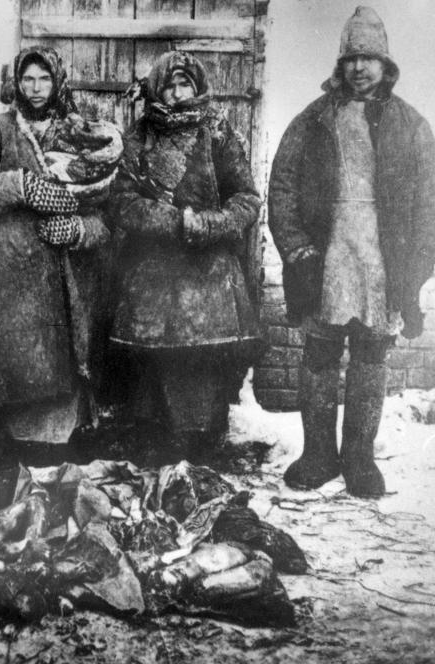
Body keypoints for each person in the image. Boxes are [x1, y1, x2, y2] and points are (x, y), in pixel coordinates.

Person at [268, 6, 435, 498]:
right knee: (321, 349)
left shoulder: (411, 125)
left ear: (386, 66)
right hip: (329, 253)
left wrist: (417, 263)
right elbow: (281, 187)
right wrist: (298, 248)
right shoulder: (313, 121)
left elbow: (429, 203)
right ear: (340, 65)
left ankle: (360, 458)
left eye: (370, 59)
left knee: (370, 351)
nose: (360, 69)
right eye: (352, 59)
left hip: (382, 255)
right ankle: (319, 454)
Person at [0, 45, 109, 462]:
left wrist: (77, 229)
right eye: (28, 79)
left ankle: (53, 449)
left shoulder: (77, 133)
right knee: (12, 371)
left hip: (62, 278)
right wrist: (18, 185)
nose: (36, 88)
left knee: (58, 372)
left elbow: (107, 214)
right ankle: (11, 451)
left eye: (44, 79)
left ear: (57, 82)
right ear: (16, 83)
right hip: (7, 277)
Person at [105, 51, 262, 464]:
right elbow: (122, 202)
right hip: (152, 274)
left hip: (209, 274)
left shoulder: (218, 133)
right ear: (157, 90)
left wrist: (207, 225)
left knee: (201, 367)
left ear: (197, 88)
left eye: (184, 85)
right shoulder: (139, 136)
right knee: (153, 372)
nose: (176, 95)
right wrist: (175, 221)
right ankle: (154, 451)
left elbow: (246, 200)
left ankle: (201, 447)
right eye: (169, 86)